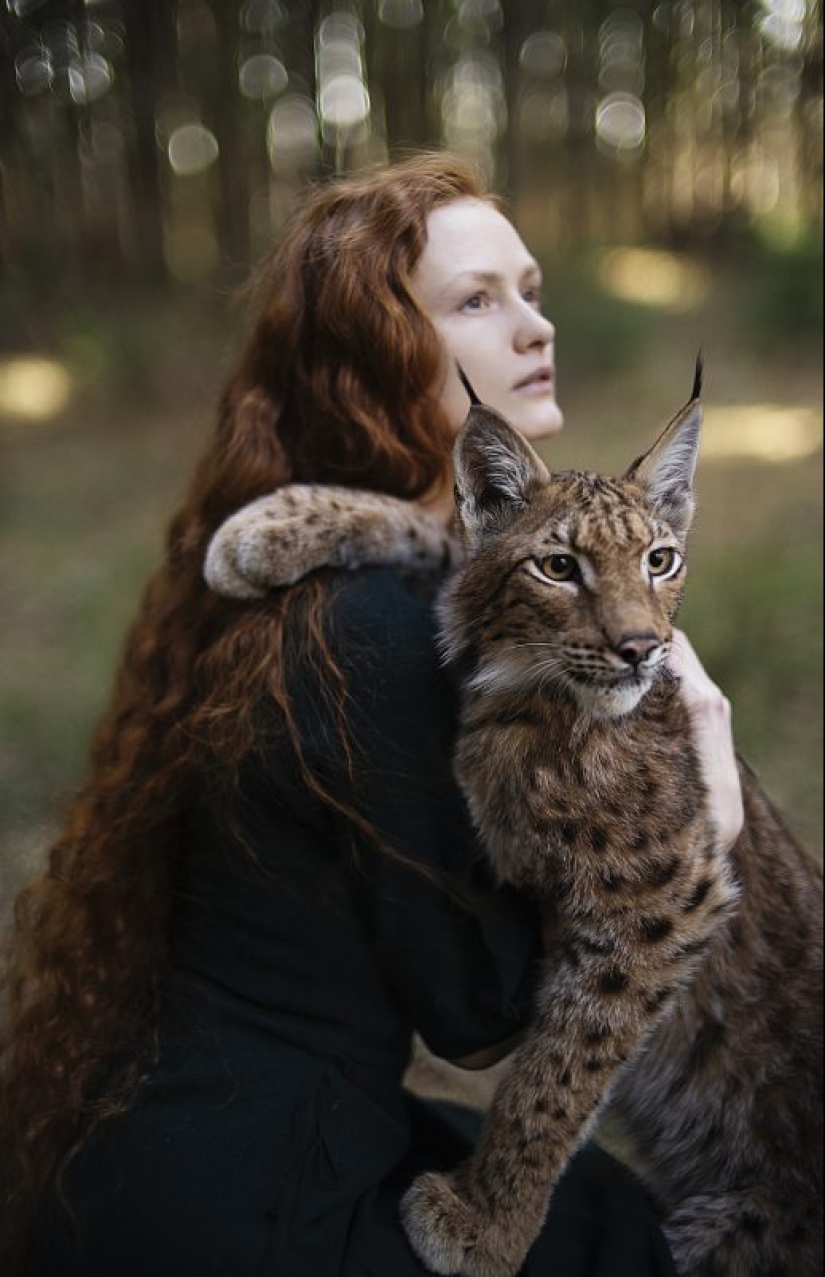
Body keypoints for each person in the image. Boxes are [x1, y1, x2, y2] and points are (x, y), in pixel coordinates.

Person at [0, 154, 743, 1276]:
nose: (536, 325)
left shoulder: (325, 575)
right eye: (477, 300)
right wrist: (711, 803)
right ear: (378, 352)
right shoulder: (370, 639)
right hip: (248, 1214)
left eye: (532, 288)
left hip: (144, 1138)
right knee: (636, 1243)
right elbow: (486, 1015)